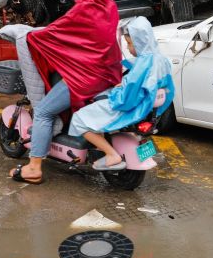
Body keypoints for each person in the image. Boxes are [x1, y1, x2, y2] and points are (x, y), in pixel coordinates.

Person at [8, 0, 123, 184]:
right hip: (107, 74)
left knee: (43, 112)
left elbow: (55, 33)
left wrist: (26, 35)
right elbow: (84, 40)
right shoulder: (110, 6)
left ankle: (34, 167)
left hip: (84, 78)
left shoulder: (84, 8)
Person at [68, 17, 174, 170]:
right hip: (150, 108)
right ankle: (101, 148)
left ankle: (111, 154)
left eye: (130, 43)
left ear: (139, 42)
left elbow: (126, 100)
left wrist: (117, 91)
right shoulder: (161, 59)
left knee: (79, 119)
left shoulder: (142, 64)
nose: (129, 48)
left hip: (131, 108)